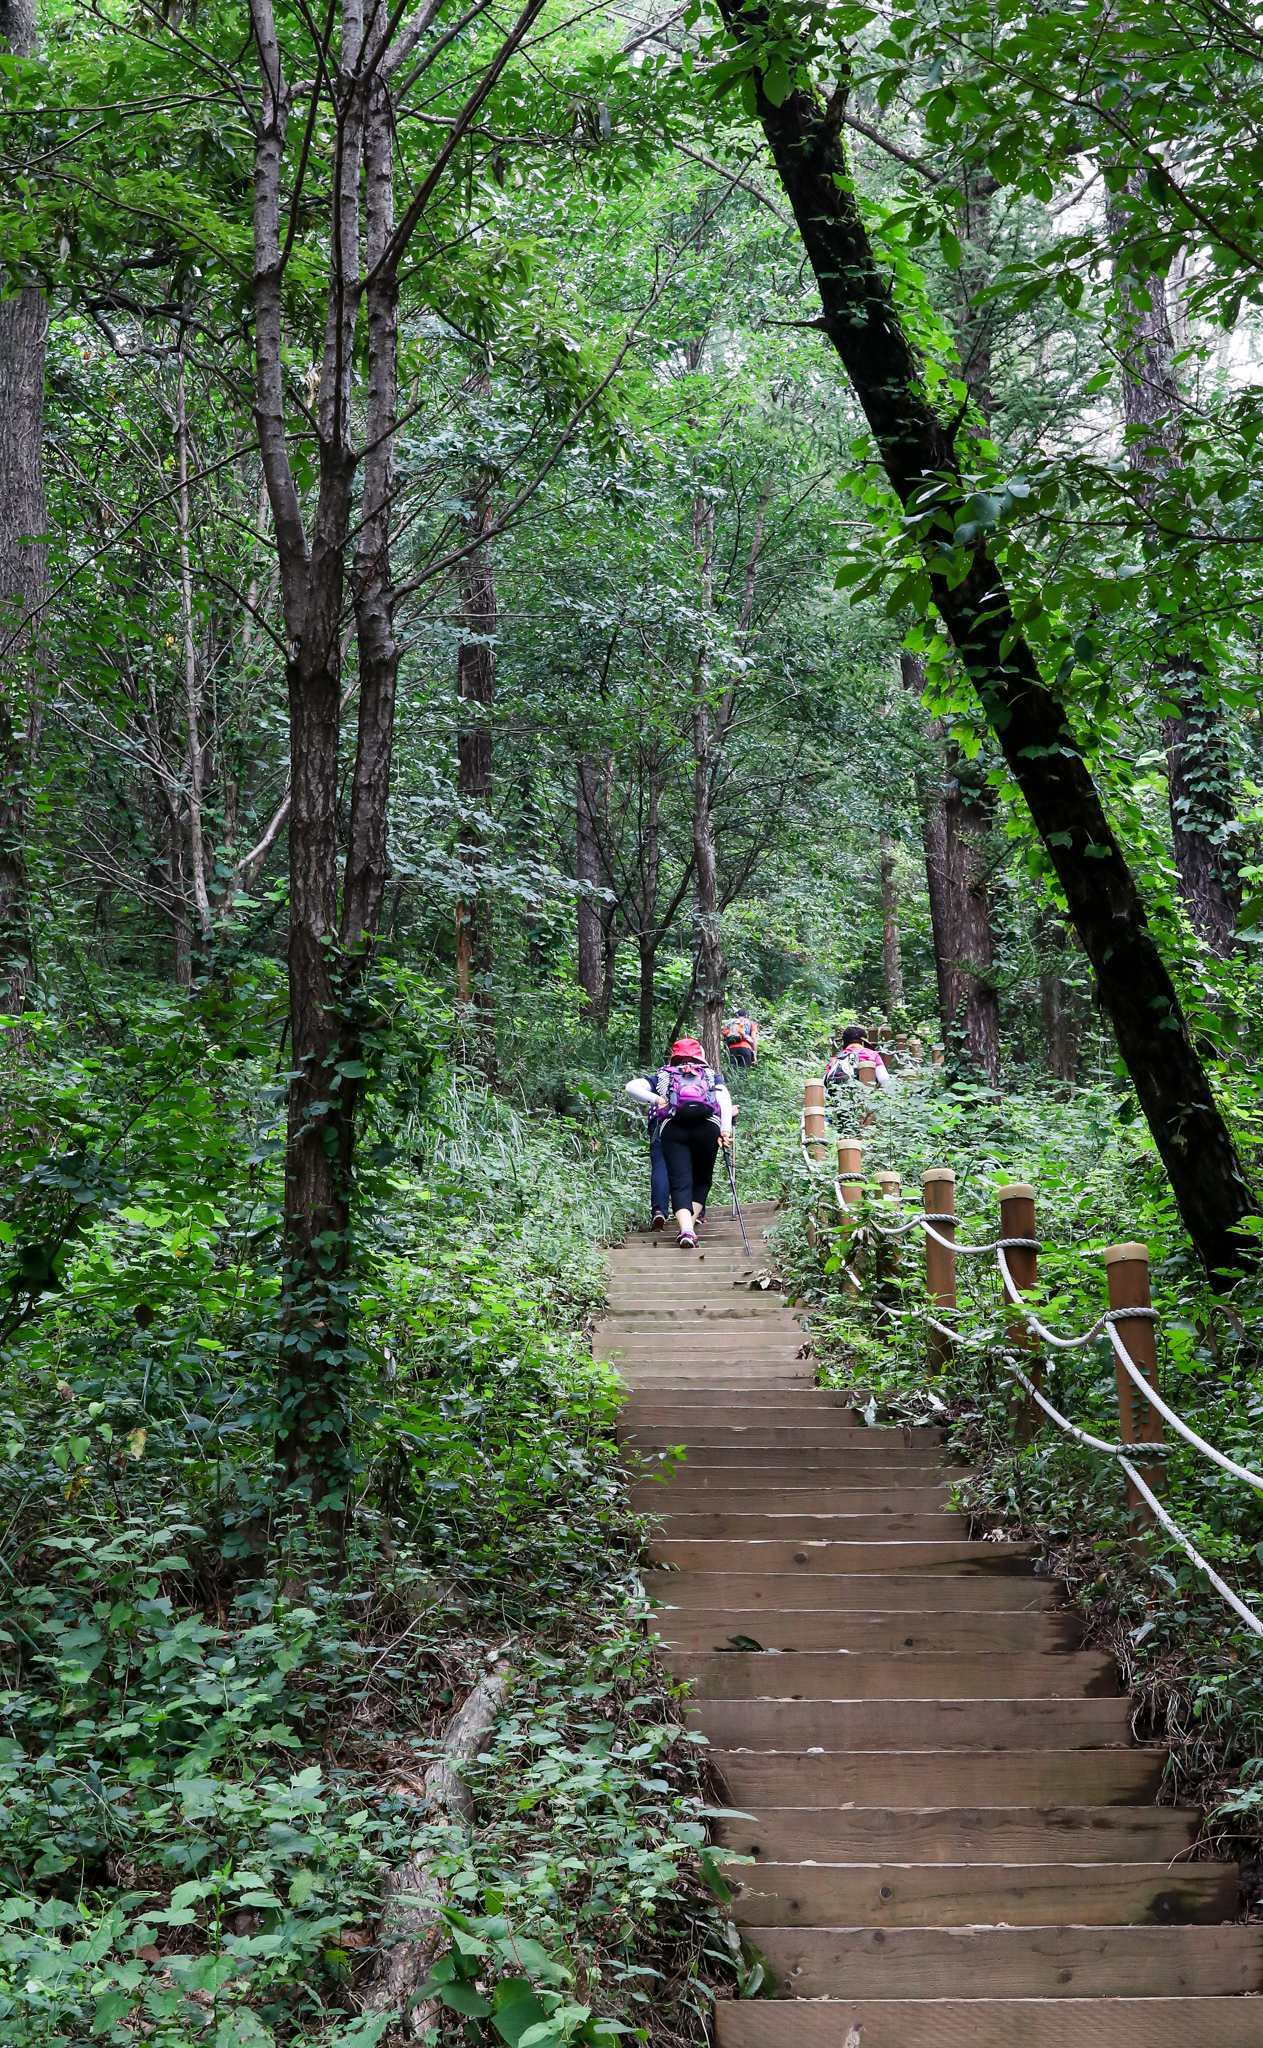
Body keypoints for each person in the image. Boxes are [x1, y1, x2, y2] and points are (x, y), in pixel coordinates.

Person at [625, 1038, 733, 1249]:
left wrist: (657, 1099)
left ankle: (686, 1230)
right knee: (701, 1180)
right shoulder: (709, 1074)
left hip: (673, 1128)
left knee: (679, 1180)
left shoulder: (665, 1074)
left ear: (674, 1056)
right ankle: (689, 1228)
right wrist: (725, 1130)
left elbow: (631, 1087)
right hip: (707, 1127)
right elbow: (725, 1100)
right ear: (699, 1056)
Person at [824, 1023, 892, 1093]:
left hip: (839, 1096)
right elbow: (884, 1079)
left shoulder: (836, 1058)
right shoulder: (871, 1054)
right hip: (866, 1095)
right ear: (863, 1043)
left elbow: (824, 1085)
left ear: (844, 1044)